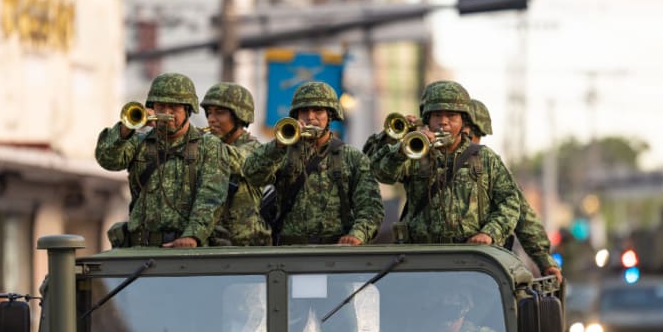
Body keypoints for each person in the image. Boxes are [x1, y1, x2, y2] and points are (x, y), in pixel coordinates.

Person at [370, 80, 520, 245]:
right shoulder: (413, 153)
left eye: (451, 116)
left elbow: (510, 202)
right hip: (418, 253)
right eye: (437, 115)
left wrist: (489, 233)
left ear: (463, 121)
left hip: (469, 253)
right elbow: (382, 174)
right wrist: (401, 149)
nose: (443, 122)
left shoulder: (485, 158)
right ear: (427, 119)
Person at [242, 80, 384, 246]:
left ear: (330, 115)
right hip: (288, 252)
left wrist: (357, 235)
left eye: (318, 111)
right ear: (296, 116)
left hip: (335, 250)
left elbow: (371, 207)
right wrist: (278, 145)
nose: (310, 117)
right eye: (304, 111)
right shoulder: (281, 152)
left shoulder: (352, 157)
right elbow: (252, 174)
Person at [96, 73, 230, 247]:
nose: (166, 113)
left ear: (188, 110)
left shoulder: (209, 146)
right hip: (141, 248)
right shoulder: (139, 142)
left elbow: (211, 197)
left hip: (187, 249)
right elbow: (108, 160)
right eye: (161, 106)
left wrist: (192, 236)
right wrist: (126, 128)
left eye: (174, 108)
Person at [467, 99, 563, 283]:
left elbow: (521, 213)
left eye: (475, 135)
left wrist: (544, 260)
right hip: (422, 261)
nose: (472, 142)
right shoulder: (423, 155)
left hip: (477, 261)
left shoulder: (487, 164)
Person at [200, 82, 271, 246]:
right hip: (212, 243)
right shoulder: (208, 146)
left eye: (220, 113)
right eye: (209, 113)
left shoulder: (255, 149)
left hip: (246, 247)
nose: (211, 119)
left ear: (239, 116)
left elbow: (235, 160)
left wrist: (197, 140)